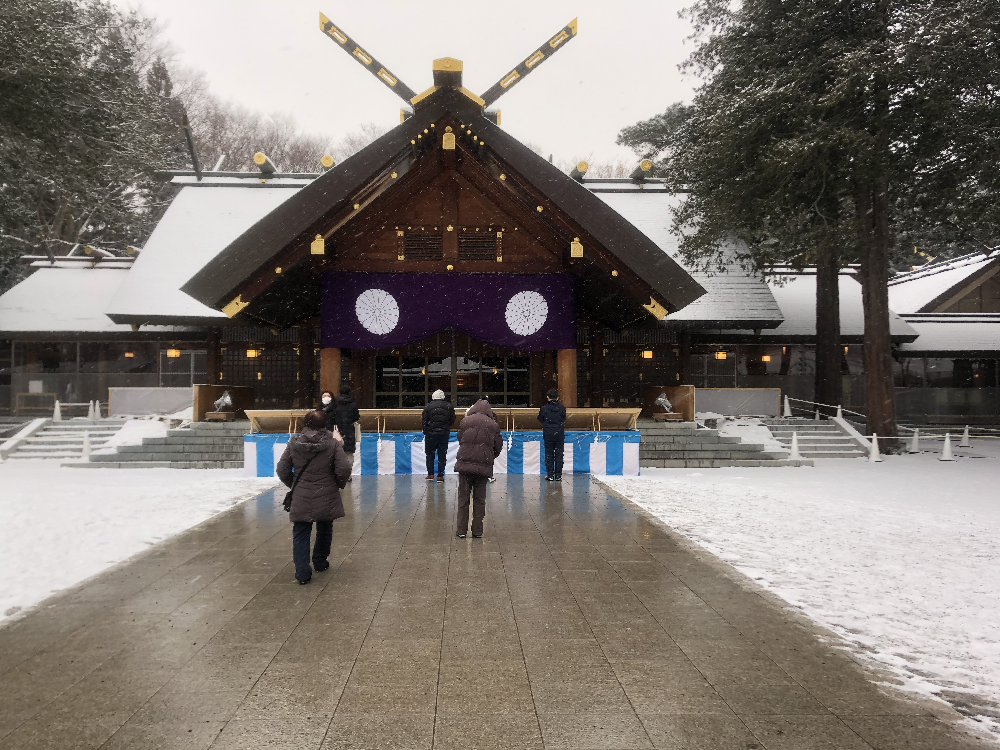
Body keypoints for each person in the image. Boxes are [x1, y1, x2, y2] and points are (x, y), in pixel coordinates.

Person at [277, 410, 352, 584]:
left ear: (305, 424)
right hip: (326, 493)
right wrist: (336, 483)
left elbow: (282, 469)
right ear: (324, 424)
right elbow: (344, 469)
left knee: (301, 532)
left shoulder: (294, 442)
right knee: (325, 527)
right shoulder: (332, 444)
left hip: (301, 493)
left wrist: (295, 484)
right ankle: (320, 561)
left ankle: (302, 572)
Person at [454, 398, 503, 538]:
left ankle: (461, 530)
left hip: (465, 465)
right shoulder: (493, 425)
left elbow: (460, 438)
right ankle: (477, 531)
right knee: (479, 499)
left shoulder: (465, 421)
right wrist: (489, 456)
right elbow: (498, 445)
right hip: (483, 466)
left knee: (463, 498)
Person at [323, 384, 360, 477]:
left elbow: (327, 414)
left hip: (336, 431)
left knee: (335, 452)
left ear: (339, 392)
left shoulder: (335, 403)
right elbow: (356, 417)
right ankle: (347, 475)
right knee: (349, 453)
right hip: (349, 431)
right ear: (349, 392)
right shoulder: (353, 404)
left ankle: (336, 473)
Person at [422, 389, 455, 483]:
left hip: (431, 434)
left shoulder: (428, 407)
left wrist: (426, 431)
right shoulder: (448, 406)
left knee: (429, 455)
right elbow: (452, 419)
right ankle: (440, 475)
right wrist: (446, 426)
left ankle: (430, 474)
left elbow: (424, 420)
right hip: (443, 434)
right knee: (442, 455)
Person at [537, 388, 567, 482]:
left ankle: (550, 474)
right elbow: (563, 419)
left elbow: (540, 419)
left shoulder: (544, 408)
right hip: (559, 434)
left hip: (548, 434)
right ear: (557, 398)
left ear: (547, 397)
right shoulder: (562, 408)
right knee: (559, 454)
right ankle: (558, 475)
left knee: (549, 455)